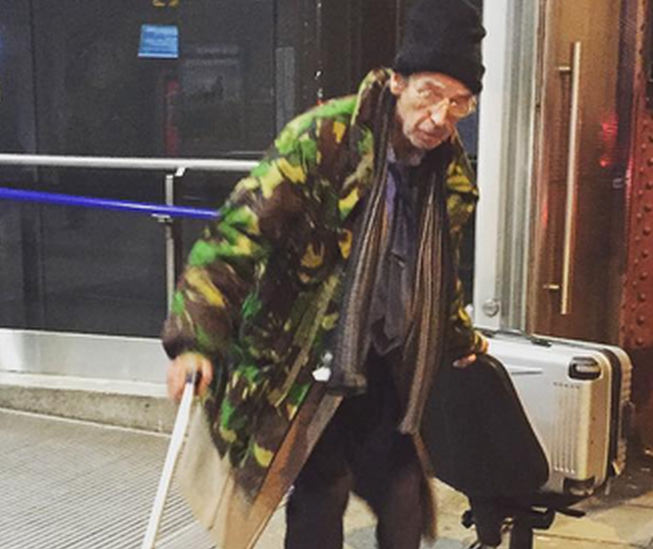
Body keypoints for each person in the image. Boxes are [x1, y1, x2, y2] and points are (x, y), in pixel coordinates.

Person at [160, 1, 488, 548]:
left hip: (383, 363)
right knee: (323, 488)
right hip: (305, 360)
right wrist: (194, 342)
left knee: (406, 492)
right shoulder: (323, 141)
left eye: (460, 104)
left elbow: (435, 272)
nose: (440, 118)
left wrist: (458, 336)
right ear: (398, 82)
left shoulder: (445, 169)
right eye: (430, 94)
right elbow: (234, 239)